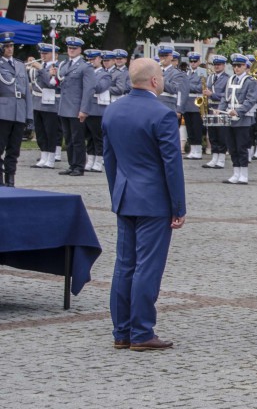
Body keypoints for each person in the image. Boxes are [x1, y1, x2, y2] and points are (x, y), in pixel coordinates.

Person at [102, 58, 186, 351]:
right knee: (147, 268)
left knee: (124, 266)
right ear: (153, 81)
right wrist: (178, 207)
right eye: (161, 75)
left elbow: (109, 160)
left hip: (125, 197)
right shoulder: (162, 115)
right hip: (154, 201)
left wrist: (117, 194)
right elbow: (172, 166)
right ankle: (141, 332)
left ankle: (121, 331)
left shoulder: (113, 110)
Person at [219, 54, 257, 184]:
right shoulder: (230, 80)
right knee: (232, 147)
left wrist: (237, 111)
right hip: (229, 117)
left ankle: (244, 174)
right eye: (234, 66)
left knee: (241, 147)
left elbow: (251, 100)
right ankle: (235, 173)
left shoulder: (251, 81)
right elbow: (224, 98)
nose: (236, 68)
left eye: (239, 66)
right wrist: (220, 110)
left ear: (245, 66)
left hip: (243, 118)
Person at [56, 36, 92, 176]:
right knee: (69, 139)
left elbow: (88, 89)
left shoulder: (85, 66)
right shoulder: (64, 65)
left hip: (76, 108)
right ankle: (72, 164)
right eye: (70, 48)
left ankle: (79, 166)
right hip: (64, 107)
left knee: (78, 139)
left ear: (80, 50)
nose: (71, 50)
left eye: (74, 48)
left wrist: (84, 109)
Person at [0, 31, 32, 186]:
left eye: (11, 45)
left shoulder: (20, 65)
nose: (9, 49)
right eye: (6, 46)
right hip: (3, 112)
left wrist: (29, 115)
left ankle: (10, 178)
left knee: (14, 149)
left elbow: (28, 93)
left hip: (19, 111)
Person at [29, 43, 61, 169]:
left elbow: (52, 84)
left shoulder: (56, 67)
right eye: (42, 53)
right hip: (37, 103)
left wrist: (40, 68)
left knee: (50, 132)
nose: (43, 56)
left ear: (54, 55)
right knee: (40, 132)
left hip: (50, 104)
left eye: (46, 53)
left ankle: (51, 158)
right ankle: (43, 156)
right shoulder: (39, 66)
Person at [81, 49, 112, 173]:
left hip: (98, 109)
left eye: (93, 59)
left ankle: (98, 161)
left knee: (97, 137)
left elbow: (99, 88)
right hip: (86, 108)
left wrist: (89, 77)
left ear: (99, 59)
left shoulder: (105, 74)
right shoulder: (88, 73)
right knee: (89, 137)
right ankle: (90, 160)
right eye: (88, 60)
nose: (90, 62)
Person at [183, 52, 206, 160]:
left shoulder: (202, 72)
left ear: (199, 62)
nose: (193, 63)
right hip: (187, 102)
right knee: (189, 128)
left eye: (195, 61)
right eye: (191, 61)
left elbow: (201, 88)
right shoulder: (186, 73)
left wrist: (188, 86)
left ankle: (198, 150)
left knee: (197, 127)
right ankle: (192, 149)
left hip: (197, 102)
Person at [155, 45, 187, 118]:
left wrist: (161, 79)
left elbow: (174, 89)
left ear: (171, 57)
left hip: (168, 106)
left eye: (165, 55)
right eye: (161, 55)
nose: (163, 58)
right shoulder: (156, 70)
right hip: (155, 105)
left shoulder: (177, 73)